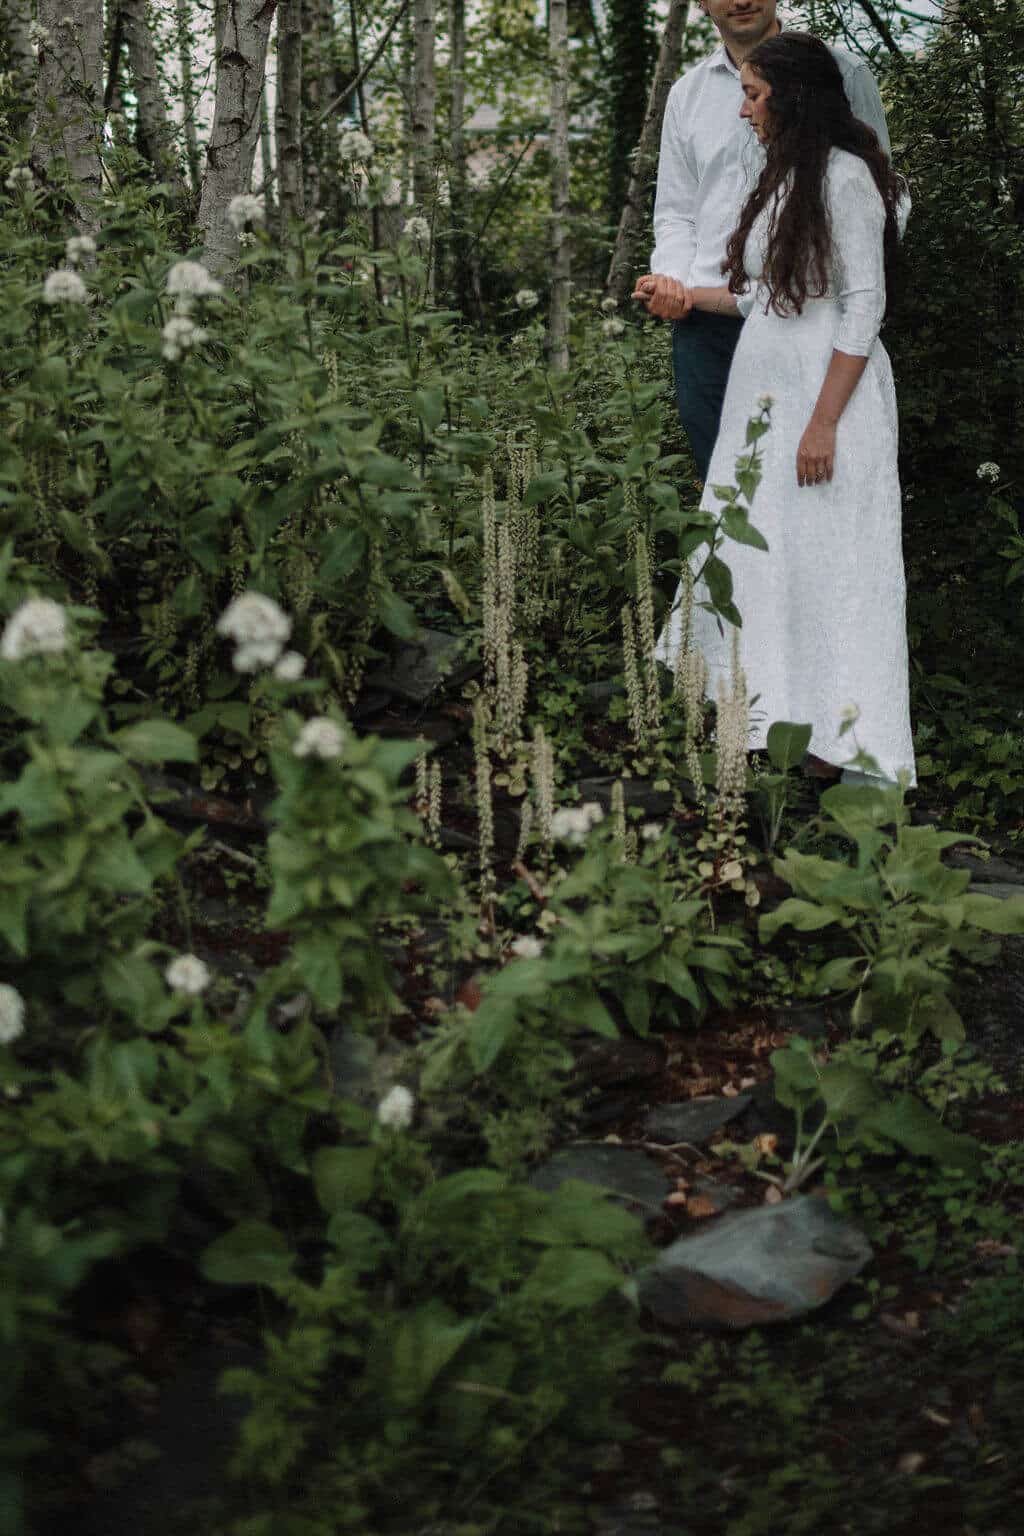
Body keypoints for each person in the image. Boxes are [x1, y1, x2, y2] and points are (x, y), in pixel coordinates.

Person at [648, 32, 916, 786]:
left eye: (755, 95)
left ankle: (846, 742)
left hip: (826, 400)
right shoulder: (784, 177)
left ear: (793, 98)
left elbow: (862, 307)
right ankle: (771, 722)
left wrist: (824, 423)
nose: (744, 109)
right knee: (771, 562)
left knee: (835, 566)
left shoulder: (846, 179)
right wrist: (682, 295)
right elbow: (772, 296)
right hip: (766, 402)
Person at [633, 0, 890, 485]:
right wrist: (672, 283)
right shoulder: (687, 94)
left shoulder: (841, 72)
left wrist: (835, 290)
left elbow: (882, 194)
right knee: (727, 493)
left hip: (815, 331)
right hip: (709, 322)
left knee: (811, 493)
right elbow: (675, 213)